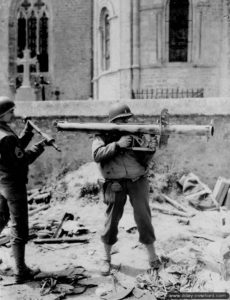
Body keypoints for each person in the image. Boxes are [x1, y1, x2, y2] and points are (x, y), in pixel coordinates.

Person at [92, 103, 160, 276]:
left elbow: (149, 154)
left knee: (144, 218)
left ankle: (152, 258)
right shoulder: (102, 134)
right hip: (115, 184)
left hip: (138, 181)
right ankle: (106, 259)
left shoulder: (136, 132)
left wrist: (151, 144)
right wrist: (118, 145)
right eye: (122, 119)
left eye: (127, 119)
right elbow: (97, 155)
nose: (126, 122)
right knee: (112, 220)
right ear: (114, 121)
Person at [0, 96, 52, 283]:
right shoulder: (5, 137)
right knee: (19, 228)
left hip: (2, 182)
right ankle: (21, 271)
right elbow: (22, 159)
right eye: (10, 112)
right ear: (3, 114)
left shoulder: (2, 131)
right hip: (13, 185)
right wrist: (41, 146)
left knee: (2, 219)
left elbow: (16, 148)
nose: (13, 114)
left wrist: (28, 132)